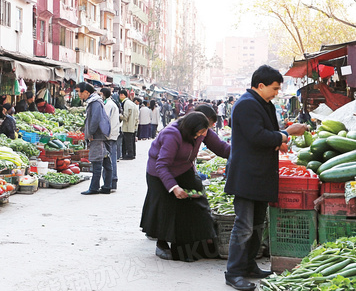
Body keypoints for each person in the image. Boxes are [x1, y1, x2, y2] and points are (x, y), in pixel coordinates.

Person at [224, 65, 308, 291]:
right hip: (246, 175)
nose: (276, 93)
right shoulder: (246, 104)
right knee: (243, 226)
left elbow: (267, 133)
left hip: (260, 174)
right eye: (274, 88)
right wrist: (287, 134)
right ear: (260, 86)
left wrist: (278, 141)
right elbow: (256, 136)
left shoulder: (263, 103)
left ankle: (249, 264)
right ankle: (234, 272)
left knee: (257, 225)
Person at [140, 111, 230, 263]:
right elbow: (162, 165)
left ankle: (202, 244)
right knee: (166, 207)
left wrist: (242, 154)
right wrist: (174, 187)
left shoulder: (202, 130)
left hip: (183, 168)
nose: (202, 135)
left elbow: (221, 147)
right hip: (159, 172)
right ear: (190, 129)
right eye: (200, 132)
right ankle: (162, 244)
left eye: (205, 131)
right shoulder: (172, 134)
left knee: (198, 202)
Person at [77, 82, 112, 195]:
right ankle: (107, 186)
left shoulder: (95, 102)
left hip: (97, 137)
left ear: (86, 92)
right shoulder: (94, 101)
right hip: (100, 136)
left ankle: (94, 188)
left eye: (79, 91)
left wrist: (90, 133)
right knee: (105, 160)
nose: (78, 94)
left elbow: (95, 120)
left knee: (97, 161)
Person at [101, 88, 121, 192]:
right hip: (113, 133)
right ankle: (111, 181)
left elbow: (105, 120)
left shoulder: (109, 105)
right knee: (111, 157)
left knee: (110, 159)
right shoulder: (112, 104)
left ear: (104, 94)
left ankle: (111, 181)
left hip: (110, 135)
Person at [119, 90, 139, 160]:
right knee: (131, 141)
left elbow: (125, 116)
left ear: (122, 95)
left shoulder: (126, 103)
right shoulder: (132, 103)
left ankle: (129, 155)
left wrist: (119, 116)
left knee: (127, 141)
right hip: (132, 125)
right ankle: (132, 154)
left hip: (128, 126)